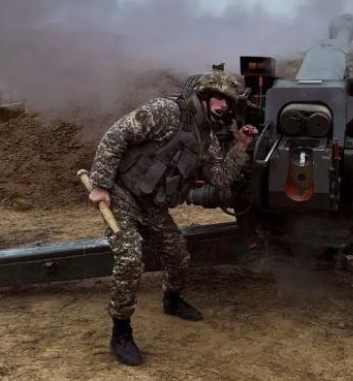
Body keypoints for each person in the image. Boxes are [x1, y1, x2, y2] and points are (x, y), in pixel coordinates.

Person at [87, 70, 257, 366]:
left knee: (178, 254)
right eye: (218, 99)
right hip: (124, 195)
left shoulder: (209, 140)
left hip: (154, 206)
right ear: (203, 98)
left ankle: (172, 300)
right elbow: (116, 136)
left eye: (227, 102)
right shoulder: (165, 112)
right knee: (129, 259)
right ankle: (121, 332)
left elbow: (219, 178)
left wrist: (241, 146)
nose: (223, 107)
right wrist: (101, 185)